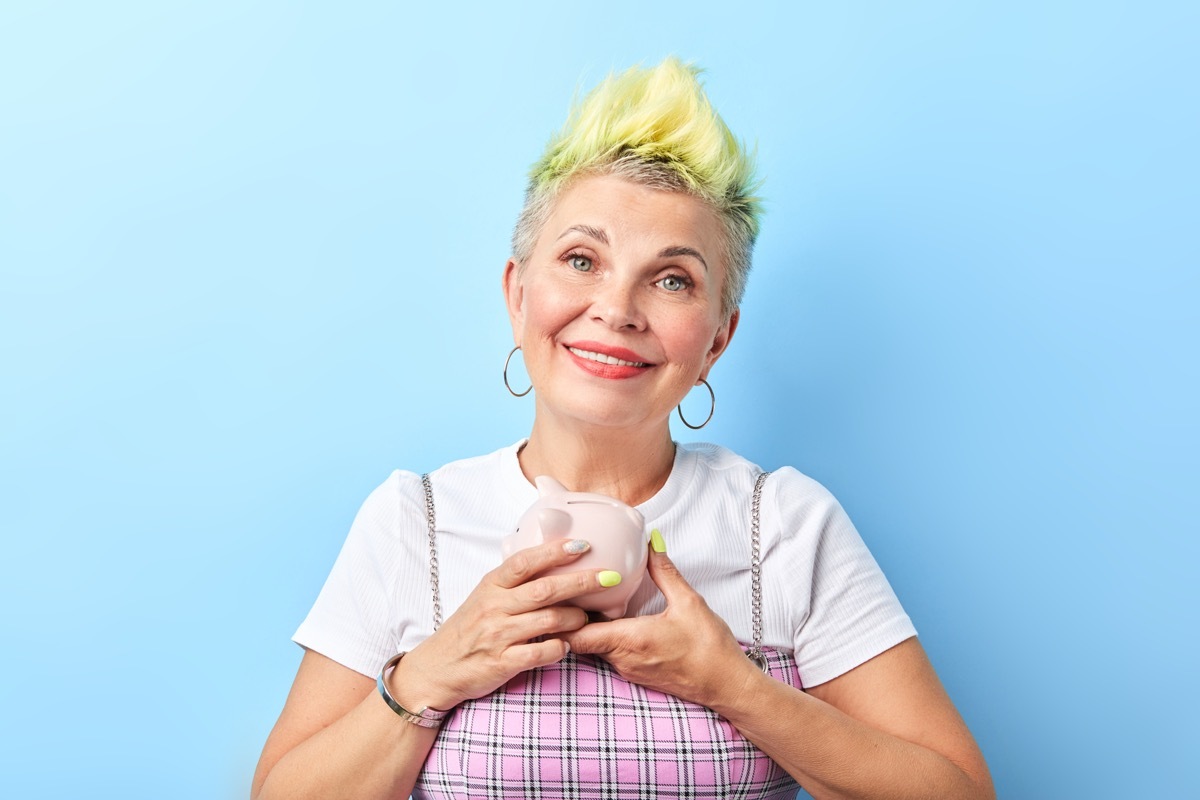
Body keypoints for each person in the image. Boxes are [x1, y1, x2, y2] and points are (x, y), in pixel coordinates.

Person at [252, 59, 994, 800]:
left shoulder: (786, 527)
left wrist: (733, 685)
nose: (617, 308)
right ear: (518, 294)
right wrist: (428, 673)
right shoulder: (414, 522)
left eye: (673, 279)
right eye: (582, 260)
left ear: (717, 340)